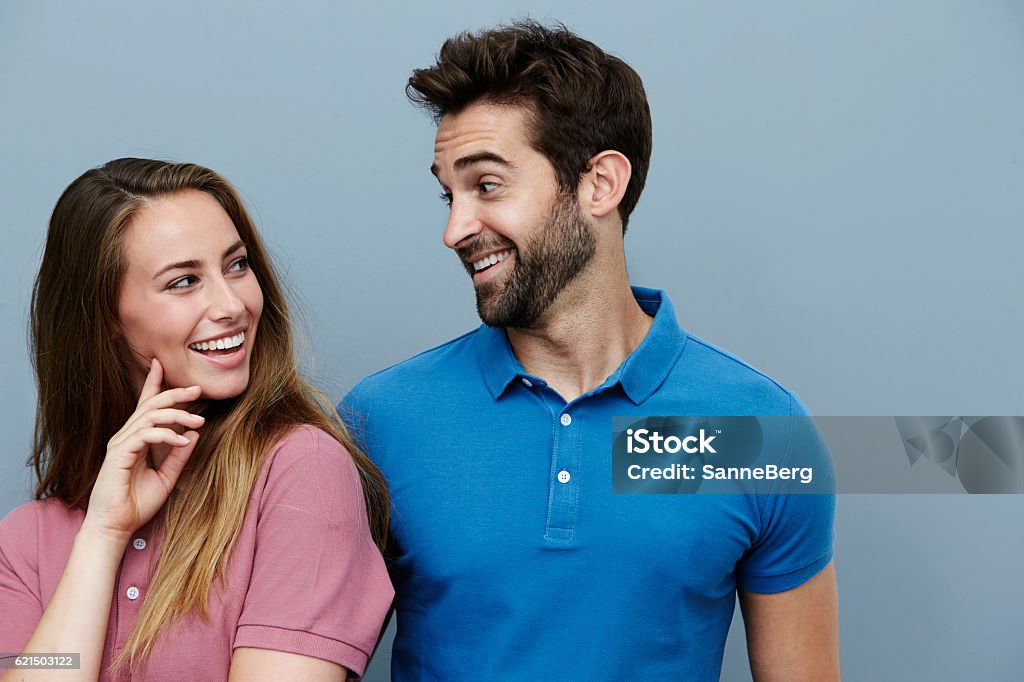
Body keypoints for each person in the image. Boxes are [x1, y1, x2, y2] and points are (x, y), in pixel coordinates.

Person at [340, 21, 838, 680]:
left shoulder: (758, 431)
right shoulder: (379, 421)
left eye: (486, 185)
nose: (455, 229)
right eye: (448, 193)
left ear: (600, 184)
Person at [0, 158, 393, 681]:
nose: (232, 304)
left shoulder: (302, 471)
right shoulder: (27, 541)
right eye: (184, 281)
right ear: (105, 320)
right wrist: (104, 534)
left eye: (236, 265)